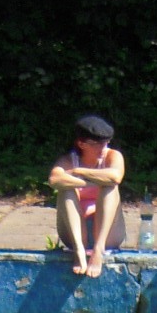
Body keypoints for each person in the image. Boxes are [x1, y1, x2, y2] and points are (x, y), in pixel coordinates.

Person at [48, 115, 126, 278]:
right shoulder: (68, 160)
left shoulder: (113, 156)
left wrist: (79, 172)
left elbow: (115, 176)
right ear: (81, 144)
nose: (103, 147)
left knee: (109, 187)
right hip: (75, 231)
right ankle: (79, 250)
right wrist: (90, 182)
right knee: (65, 189)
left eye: (106, 142)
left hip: (108, 232)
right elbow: (54, 179)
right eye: (97, 144)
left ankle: (98, 250)